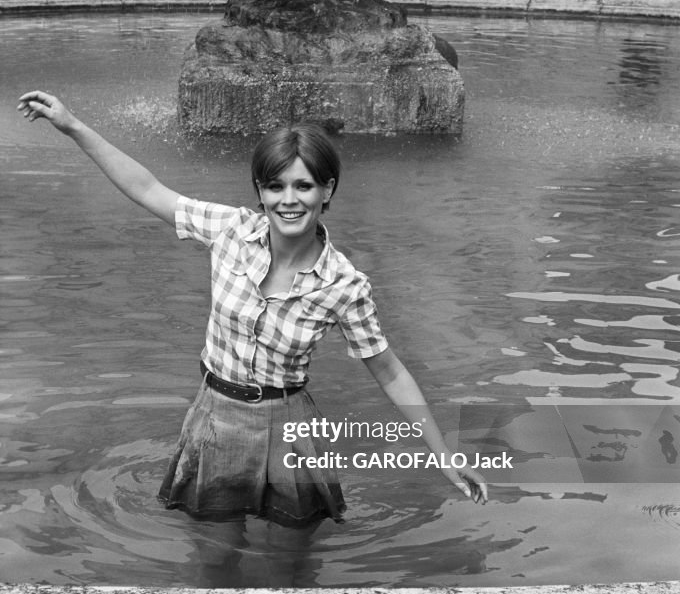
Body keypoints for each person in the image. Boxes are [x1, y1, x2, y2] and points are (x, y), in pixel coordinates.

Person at [17, 91, 488, 529]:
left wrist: (443, 454)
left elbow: (389, 372)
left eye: (303, 186)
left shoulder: (344, 285)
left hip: (288, 426)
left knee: (292, 561)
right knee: (215, 552)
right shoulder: (231, 231)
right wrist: (73, 126)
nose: (289, 200)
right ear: (260, 191)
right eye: (275, 185)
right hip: (215, 417)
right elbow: (146, 189)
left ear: (327, 190)